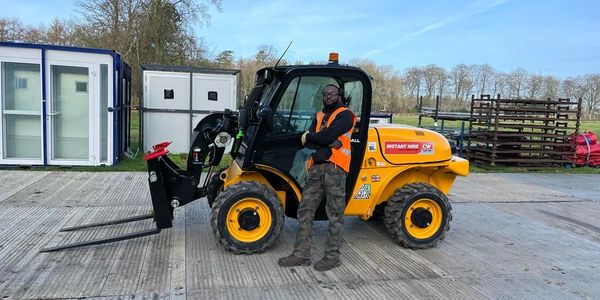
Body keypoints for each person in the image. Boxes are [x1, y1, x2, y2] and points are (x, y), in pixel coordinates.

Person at [278, 84, 357, 271]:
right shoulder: (319, 116)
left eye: (333, 94)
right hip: (316, 168)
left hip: (335, 169)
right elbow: (308, 140)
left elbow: (318, 136)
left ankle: (332, 256)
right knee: (305, 210)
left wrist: (316, 137)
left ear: (339, 96)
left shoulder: (346, 115)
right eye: (326, 94)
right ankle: (301, 254)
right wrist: (325, 139)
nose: (329, 97)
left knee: (335, 214)